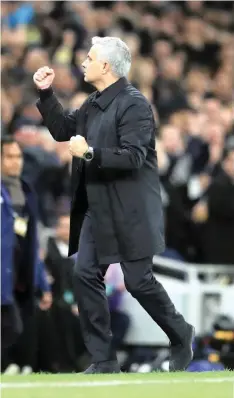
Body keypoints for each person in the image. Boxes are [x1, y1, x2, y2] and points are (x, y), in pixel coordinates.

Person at [33, 36, 194, 374]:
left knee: (138, 282)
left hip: (131, 210)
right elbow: (63, 130)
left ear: (105, 66)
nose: (84, 63)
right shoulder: (92, 103)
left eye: (89, 58)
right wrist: (47, 95)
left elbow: (133, 157)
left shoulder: (135, 104)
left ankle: (180, 333)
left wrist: (89, 153)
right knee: (84, 273)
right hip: (98, 208)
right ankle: (103, 359)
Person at [1, 136, 52, 374]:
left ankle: (15, 366)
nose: (16, 162)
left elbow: (32, 242)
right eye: (9, 157)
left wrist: (42, 282)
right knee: (11, 326)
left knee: (17, 327)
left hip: (20, 272)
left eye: (18, 156)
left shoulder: (26, 190)